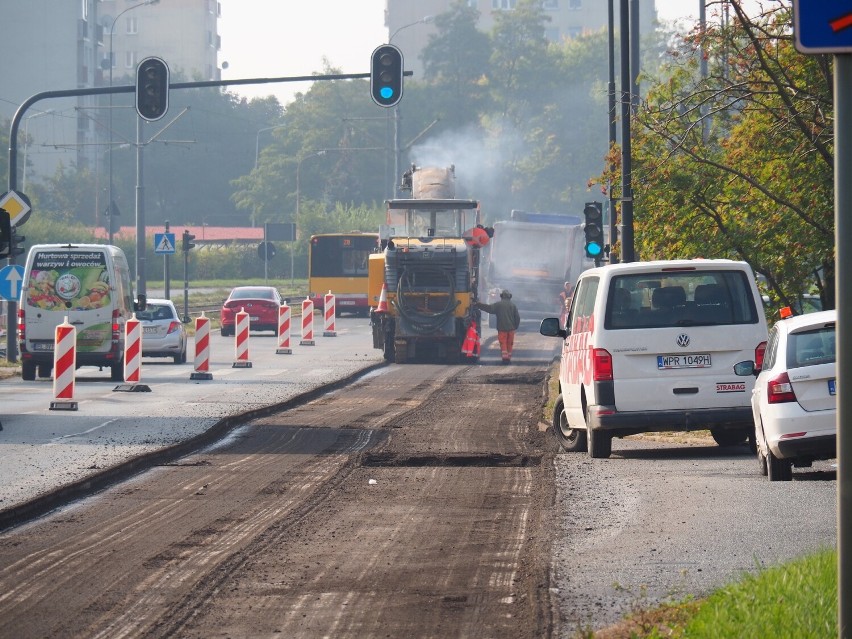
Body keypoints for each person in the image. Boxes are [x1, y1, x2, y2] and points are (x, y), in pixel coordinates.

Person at [476, 290, 521, 364]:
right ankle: (508, 357)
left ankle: (505, 357)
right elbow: (517, 317)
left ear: (502, 296)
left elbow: (489, 308)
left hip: (502, 328)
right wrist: (515, 326)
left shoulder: (498, 305)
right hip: (511, 329)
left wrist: (479, 305)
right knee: (510, 343)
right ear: (509, 296)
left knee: (503, 343)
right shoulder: (513, 306)